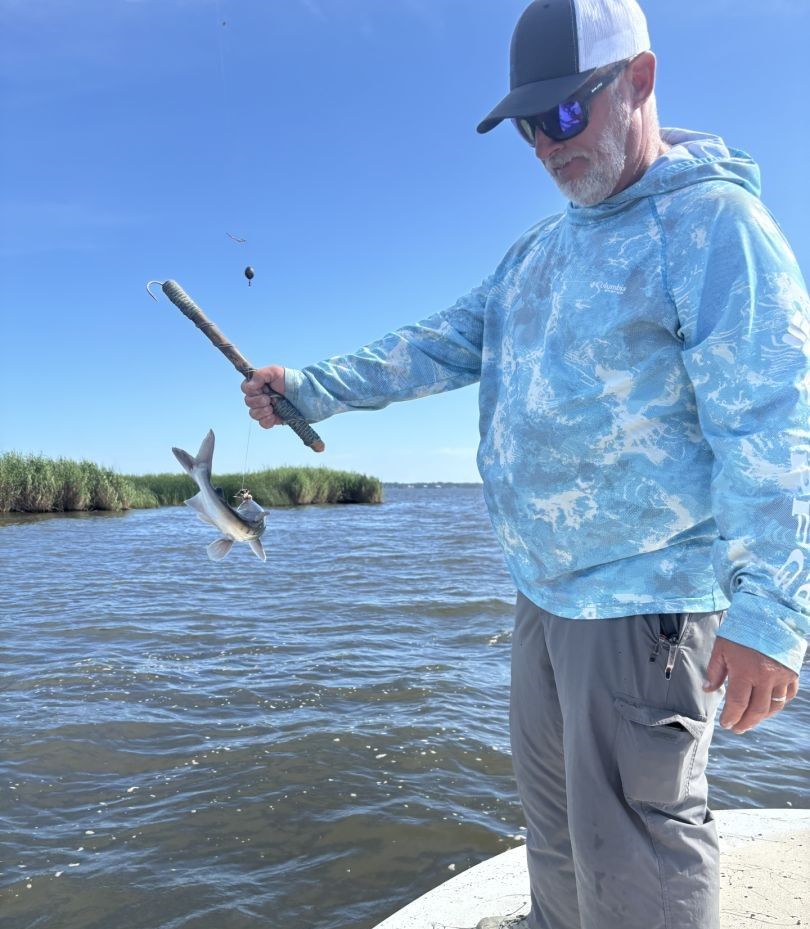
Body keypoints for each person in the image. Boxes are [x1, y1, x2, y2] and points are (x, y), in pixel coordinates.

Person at [242, 1, 809, 926]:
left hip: (645, 608)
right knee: (555, 832)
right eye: (526, 128)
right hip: (543, 598)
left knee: (641, 849)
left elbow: (775, 422)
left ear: (639, 81)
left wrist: (775, 609)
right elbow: (439, 342)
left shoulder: (716, 227)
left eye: (565, 115)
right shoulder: (535, 256)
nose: (546, 146)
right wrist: (310, 389)